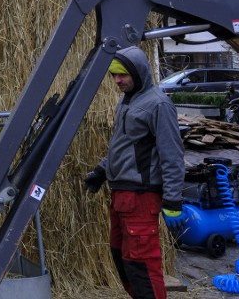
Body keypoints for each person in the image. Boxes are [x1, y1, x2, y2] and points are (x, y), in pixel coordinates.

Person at [83, 46, 184, 299]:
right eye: (114, 75)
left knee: (143, 265)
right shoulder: (127, 101)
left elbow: (172, 155)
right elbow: (123, 144)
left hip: (141, 197)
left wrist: (173, 200)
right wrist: (101, 170)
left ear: (138, 72)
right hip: (121, 196)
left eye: (123, 75)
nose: (117, 81)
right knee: (122, 258)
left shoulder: (158, 104)